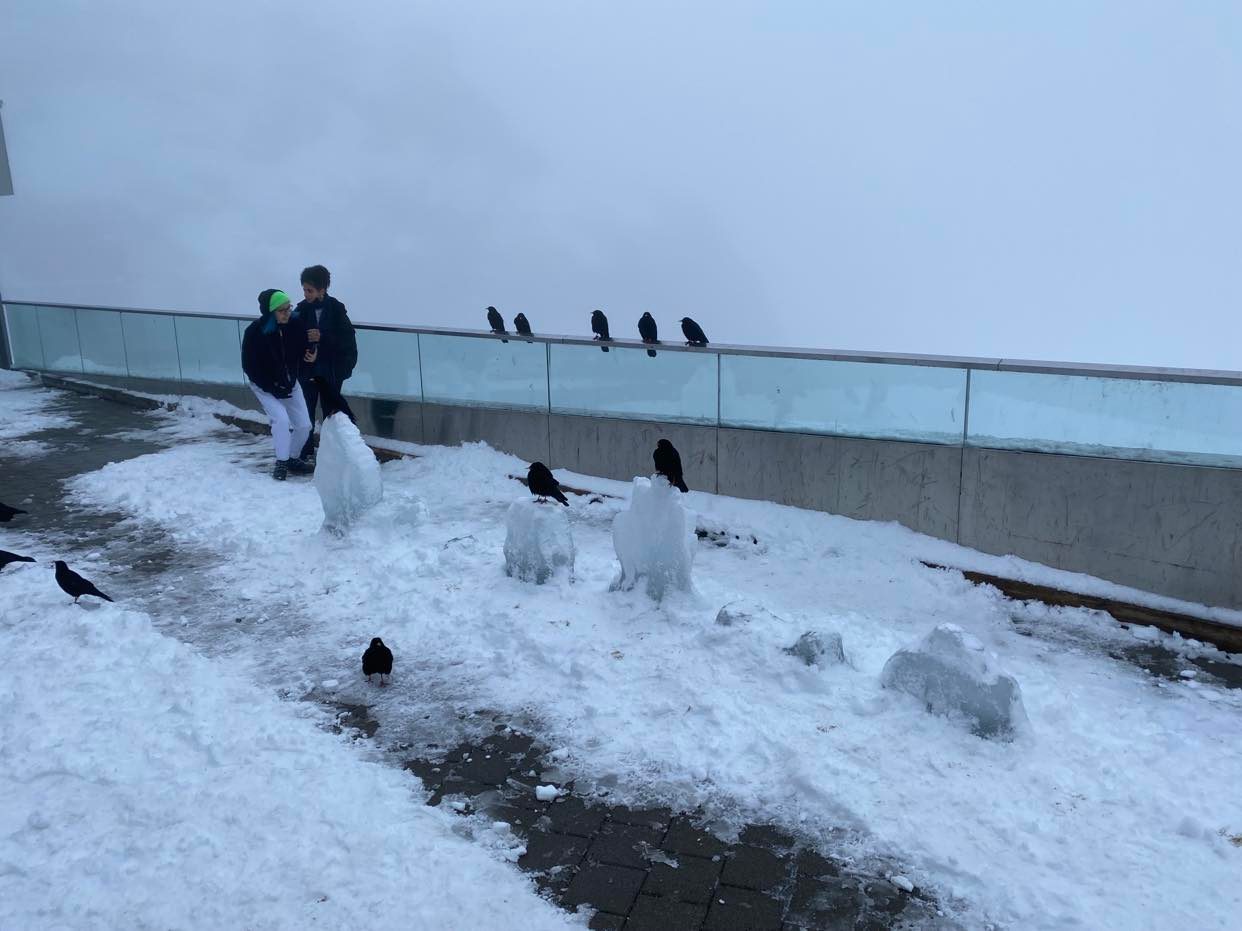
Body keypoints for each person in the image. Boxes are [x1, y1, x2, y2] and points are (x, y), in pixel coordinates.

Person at [242, 289, 316, 481]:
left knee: (304, 425)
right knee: (281, 420)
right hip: (264, 386)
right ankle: (281, 462)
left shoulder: (295, 325)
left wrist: (311, 351)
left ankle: (293, 458)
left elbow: (304, 347)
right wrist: (272, 387)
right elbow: (250, 367)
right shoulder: (255, 332)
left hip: (290, 383)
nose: (287, 313)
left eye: (288, 308)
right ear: (270, 312)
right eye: (282, 310)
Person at [295, 265, 358, 462]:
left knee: (331, 413)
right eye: (304, 290)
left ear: (322, 289)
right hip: (307, 371)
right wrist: (306, 349)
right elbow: (292, 338)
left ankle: (331, 454)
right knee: (305, 411)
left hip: (330, 372)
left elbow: (346, 341)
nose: (306, 294)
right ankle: (303, 451)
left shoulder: (337, 310)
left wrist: (322, 338)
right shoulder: (301, 309)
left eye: (310, 290)